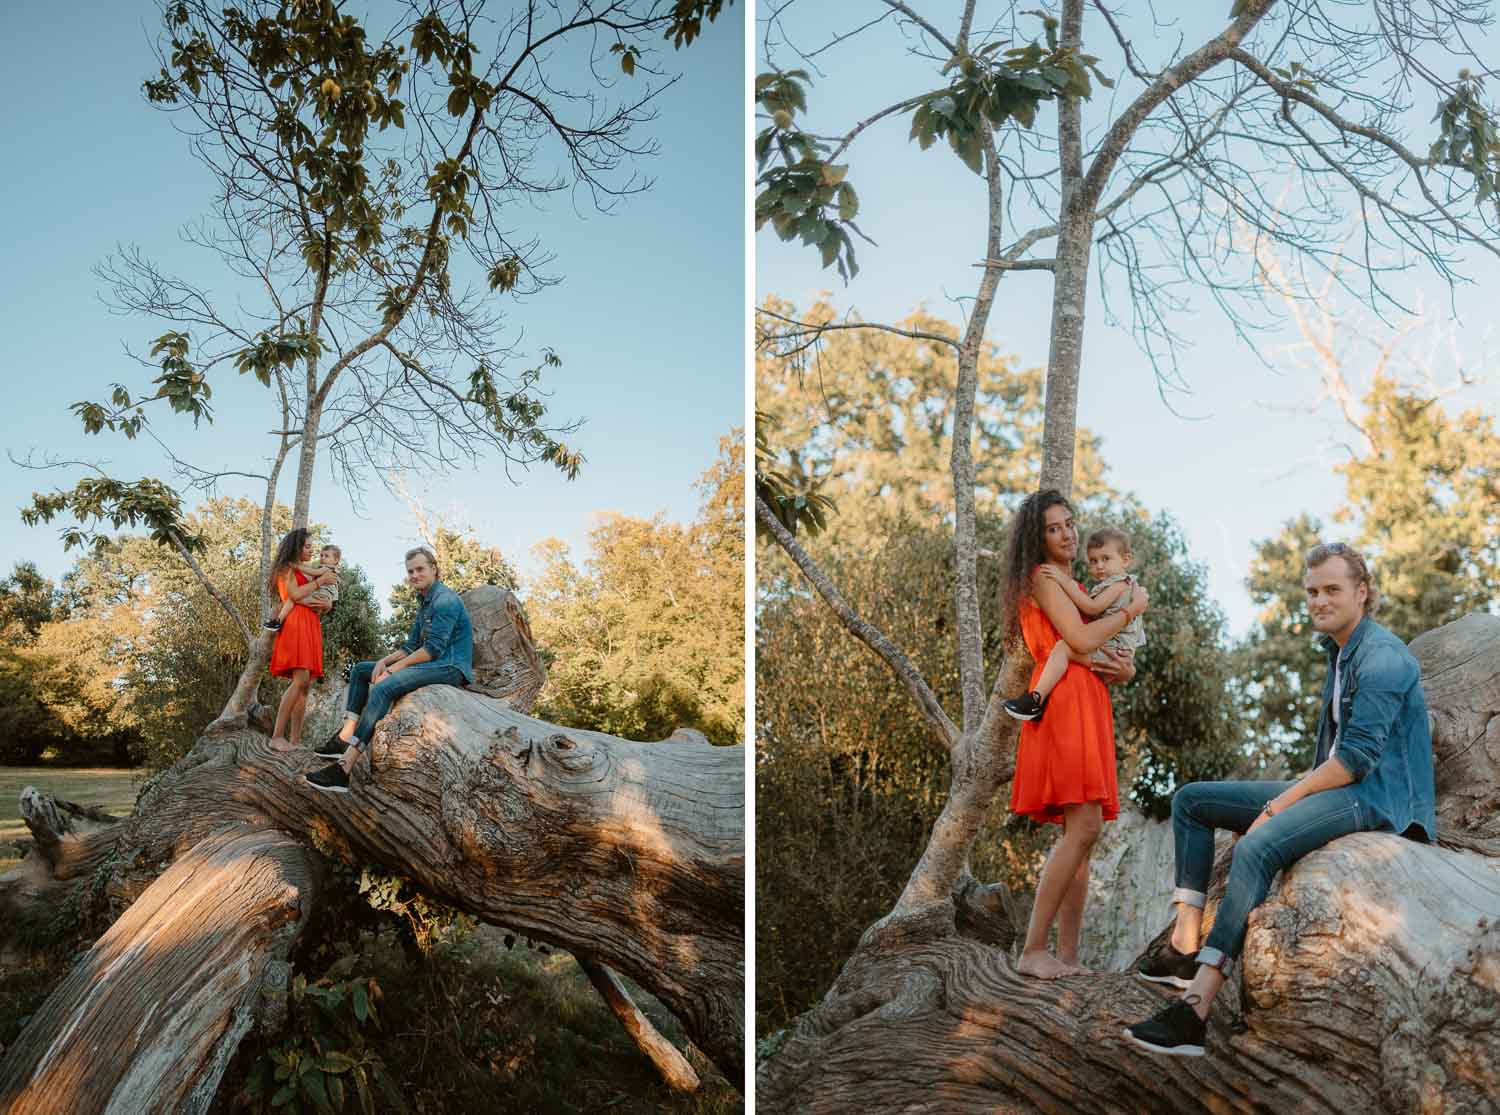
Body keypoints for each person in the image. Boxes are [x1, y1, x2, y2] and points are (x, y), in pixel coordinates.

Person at [1123, 542, 1435, 1057]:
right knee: (1192, 801)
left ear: (1362, 592)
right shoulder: (1341, 651)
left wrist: (1284, 801)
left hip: (1380, 800)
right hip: (1343, 784)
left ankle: (1194, 1012)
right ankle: (1183, 949)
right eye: (1312, 591)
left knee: (1256, 846)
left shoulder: (1383, 658)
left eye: (1332, 589)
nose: (1318, 600)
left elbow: (1355, 761)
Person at [1000, 490, 1149, 979]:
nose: (1067, 534)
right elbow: (1080, 641)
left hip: (1087, 700)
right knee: (1083, 828)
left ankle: (1065, 956)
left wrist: (1122, 670)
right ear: (1036, 538)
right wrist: (1131, 611)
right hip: (1063, 703)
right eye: (1053, 528)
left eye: (1070, 524)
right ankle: (1034, 949)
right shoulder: (1043, 579)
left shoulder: (1073, 581)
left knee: (1082, 835)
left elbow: (1095, 656)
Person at [305, 546, 473, 793]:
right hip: (430, 661)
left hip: (449, 666)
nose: (415, 575)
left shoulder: (445, 599)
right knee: (362, 670)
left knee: (383, 688)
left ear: (434, 569)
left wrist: (394, 671)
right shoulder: (424, 601)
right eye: (410, 571)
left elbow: (434, 649)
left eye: (420, 569)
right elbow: (411, 646)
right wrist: (385, 662)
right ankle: (344, 737)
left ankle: (344, 768)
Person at [1003, 526, 1146, 722]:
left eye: (1106, 559)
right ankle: (1037, 699)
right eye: (1093, 561)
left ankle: (1035, 699)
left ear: (1126, 560)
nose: (1099, 566)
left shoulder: (1120, 584)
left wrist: (1064, 581)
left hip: (1113, 651)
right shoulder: (1113, 586)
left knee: (1063, 648)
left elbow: (1092, 607)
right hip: (1106, 654)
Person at [267, 528, 337, 747]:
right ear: (296, 546)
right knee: (299, 681)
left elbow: (313, 598)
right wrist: (320, 582)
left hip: (311, 623)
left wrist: (326, 606)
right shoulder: (286, 567)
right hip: (295, 623)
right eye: (307, 546)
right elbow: (294, 595)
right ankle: (277, 737)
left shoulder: (308, 571)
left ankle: (295, 740)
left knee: (305, 685)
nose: (311, 550)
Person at [265, 543, 341, 630]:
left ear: (336, 560)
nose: (322, 558)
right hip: (306, 614)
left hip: (320, 597)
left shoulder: (327, 568)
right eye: (321, 555)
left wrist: (298, 566)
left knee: (292, 599)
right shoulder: (329, 569)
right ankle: (278, 620)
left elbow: (313, 572)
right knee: (294, 598)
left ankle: (278, 621)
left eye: (326, 556)